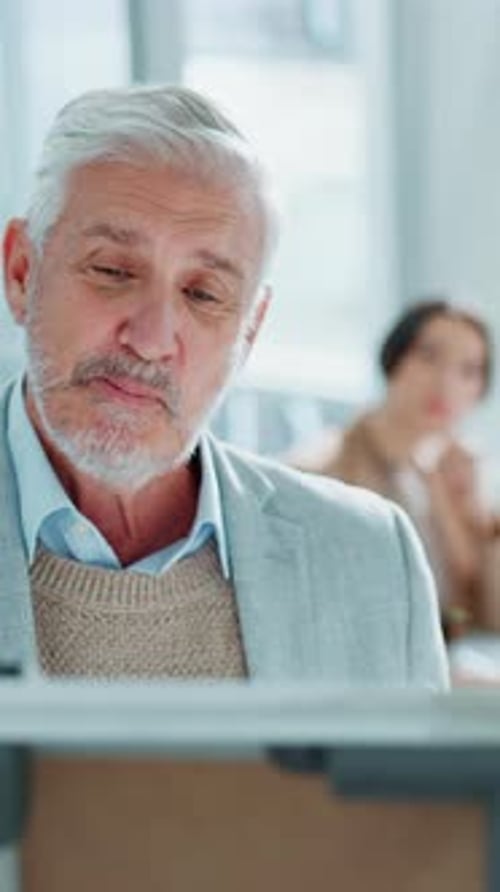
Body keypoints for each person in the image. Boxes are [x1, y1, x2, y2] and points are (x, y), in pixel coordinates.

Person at [0, 85, 447, 687]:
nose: (152, 338)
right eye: (112, 271)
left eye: (203, 294)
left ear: (250, 331)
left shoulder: (370, 560)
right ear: (22, 272)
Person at [289, 300, 493, 640]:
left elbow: (469, 610)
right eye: (429, 356)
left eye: (468, 370)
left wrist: (473, 516)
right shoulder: (321, 468)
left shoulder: (447, 475)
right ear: (394, 359)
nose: (446, 383)